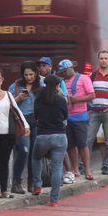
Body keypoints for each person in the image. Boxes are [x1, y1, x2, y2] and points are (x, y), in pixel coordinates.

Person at [0, 67, 30, 198]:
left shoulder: (8, 95)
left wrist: (26, 125)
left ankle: (4, 189)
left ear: (2, 80)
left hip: (8, 133)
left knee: (4, 162)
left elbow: (17, 110)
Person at [31, 75, 68, 206]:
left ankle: (37, 185)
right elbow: (65, 115)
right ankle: (54, 199)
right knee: (57, 168)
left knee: (36, 158)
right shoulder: (61, 100)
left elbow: (36, 116)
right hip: (60, 136)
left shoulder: (39, 99)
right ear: (57, 86)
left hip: (42, 136)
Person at [59, 59, 96, 181]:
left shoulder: (84, 78)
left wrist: (77, 99)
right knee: (70, 145)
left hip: (80, 116)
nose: (63, 74)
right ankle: (75, 169)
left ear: (71, 68)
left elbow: (92, 95)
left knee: (82, 143)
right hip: (66, 117)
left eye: (64, 71)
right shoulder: (62, 82)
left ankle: (87, 169)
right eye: (61, 72)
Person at [8, 61, 42, 193]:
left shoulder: (42, 84)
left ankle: (32, 182)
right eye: (26, 75)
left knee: (35, 152)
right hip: (22, 121)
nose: (29, 77)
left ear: (36, 73)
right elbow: (9, 103)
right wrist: (19, 98)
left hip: (38, 120)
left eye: (31, 74)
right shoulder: (16, 86)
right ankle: (16, 182)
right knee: (24, 150)